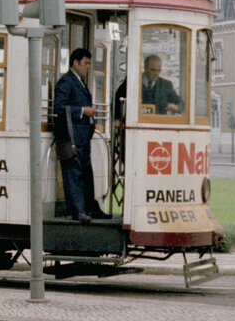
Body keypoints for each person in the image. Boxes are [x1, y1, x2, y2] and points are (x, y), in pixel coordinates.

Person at [54, 48, 104, 222]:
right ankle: (77, 211)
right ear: (75, 62)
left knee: (85, 173)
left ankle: (89, 207)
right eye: (86, 63)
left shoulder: (79, 81)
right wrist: (83, 111)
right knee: (73, 174)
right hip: (71, 137)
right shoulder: (66, 81)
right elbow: (59, 108)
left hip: (82, 136)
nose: (88, 67)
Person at [115, 54, 183, 118]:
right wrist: (117, 119)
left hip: (157, 126)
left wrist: (177, 108)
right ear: (145, 68)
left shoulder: (166, 85)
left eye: (159, 71)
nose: (156, 73)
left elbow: (181, 104)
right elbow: (118, 97)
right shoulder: (132, 82)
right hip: (134, 125)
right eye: (153, 70)